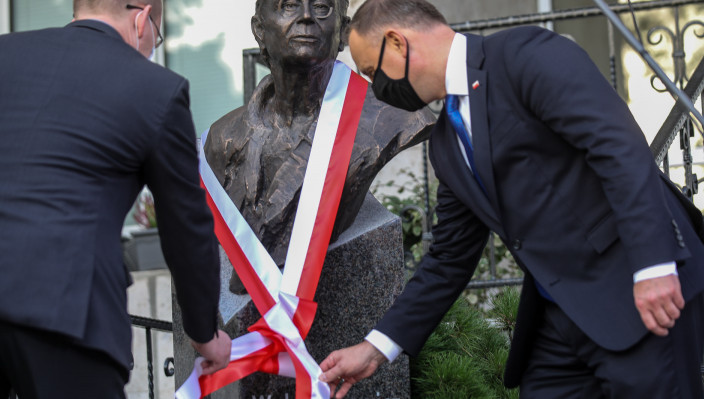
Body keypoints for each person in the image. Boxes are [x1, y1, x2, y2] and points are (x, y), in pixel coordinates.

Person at [319, 0, 704, 398]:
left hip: (640, 294)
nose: (376, 90)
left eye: (371, 72)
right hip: (560, 323)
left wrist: (654, 265)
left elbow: (618, 149)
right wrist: (375, 349)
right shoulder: (447, 146)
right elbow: (449, 258)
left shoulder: (527, 55)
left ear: (397, 42)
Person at [0, 1, 231, 398]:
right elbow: (185, 226)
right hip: (66, 312)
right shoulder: (156, 88)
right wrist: (204, 333)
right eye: (157, 37)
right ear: (142, 19)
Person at [204, 0, 434, 274]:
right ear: (259, 29)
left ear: (343, 31)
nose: (306, 17)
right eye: (289, 5)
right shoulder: (222, 138)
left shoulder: (396, 116)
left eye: (322, 7)